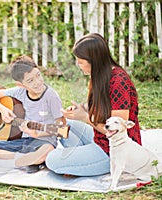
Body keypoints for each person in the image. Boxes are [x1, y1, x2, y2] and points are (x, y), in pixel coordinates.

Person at [45, 33, 141, 176]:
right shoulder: (101, 75)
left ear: (94, 61)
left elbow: (119, 129)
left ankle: (81, 163)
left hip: (116, 150)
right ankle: (80, 162)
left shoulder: (119, 82)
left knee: (52, 160)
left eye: (81, 61)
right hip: (100, 138)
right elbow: (101, 107)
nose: (78, 65)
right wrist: (81, 109)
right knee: (63, 124)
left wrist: (84, 117)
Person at [0, 55, 67, 173]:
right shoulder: (20, 92)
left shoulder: (51, 96)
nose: (38, 82)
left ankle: (3, 161)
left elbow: (61, 126)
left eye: (38, 75)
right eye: (30, 81)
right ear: (20, 85)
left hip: (45, 141)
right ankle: (24, 162)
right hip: (24, 141)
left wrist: (37, 134)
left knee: (42, 155)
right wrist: (2, 109)